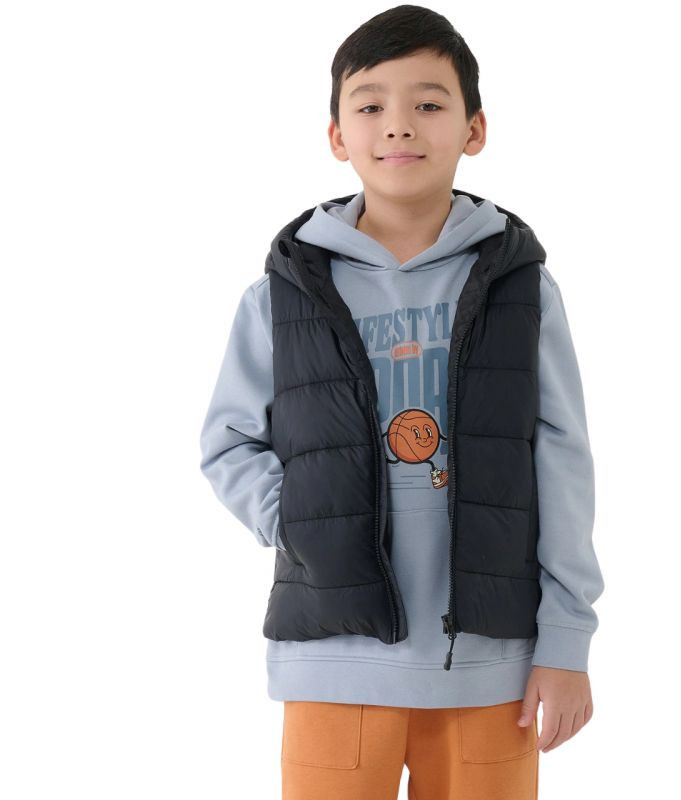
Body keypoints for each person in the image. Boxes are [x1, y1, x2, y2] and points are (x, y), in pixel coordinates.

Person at [199, 5, 604, 798]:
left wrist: (567, 639)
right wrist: (301, 519)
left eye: (428, 102)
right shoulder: (282, 295)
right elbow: (228, 440)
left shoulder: (521, 290)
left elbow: (562, 459)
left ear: (474, 128)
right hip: (334, 657)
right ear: (336, 135)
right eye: (370, 104)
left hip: (490, 666)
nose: (398, 125)